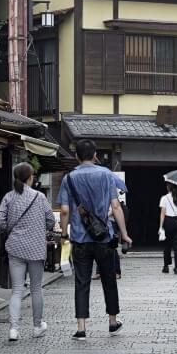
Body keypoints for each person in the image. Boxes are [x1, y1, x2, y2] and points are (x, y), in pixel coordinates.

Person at [57, 139, 133, 339]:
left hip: (80, 239)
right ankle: (112, 321)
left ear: (76, 156)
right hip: (104, 237)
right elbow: (116, 207)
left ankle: (81, 328)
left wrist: (64, 235)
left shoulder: (69, 178)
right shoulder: (106, 175)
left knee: (81, 282)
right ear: (95, 155)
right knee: (109, 279)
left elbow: (64, 210)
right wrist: (124, 233)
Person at [0, 162, 56, 342]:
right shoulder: (40, 197)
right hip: (36, 248)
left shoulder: (9, 197)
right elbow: (51, 220)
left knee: (16, 290)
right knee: (36, 289)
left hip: (15, 247)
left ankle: (14, 329)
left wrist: (11, 229)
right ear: (30, 177)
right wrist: (39, 229)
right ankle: (37, 326)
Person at [158, 182, 177, 274]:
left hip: (168, 222)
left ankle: (166, 266)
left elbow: (162, 213)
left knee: (167, 245)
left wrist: (160, 227)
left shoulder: (164, 198)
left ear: (168, 188)